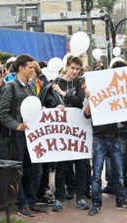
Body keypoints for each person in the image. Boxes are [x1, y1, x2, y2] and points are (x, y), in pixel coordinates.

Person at [83, 61, 127, 216]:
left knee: (119, 173)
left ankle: (121, 201)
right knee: (96, 174)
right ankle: (96, 203)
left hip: (114, 137)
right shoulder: (95, 91)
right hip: (99, 138)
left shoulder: (117, 91)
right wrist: (90, 99)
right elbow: (86, 114)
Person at [0, 54, 47, 217]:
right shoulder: (10, 87)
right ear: (21, 68)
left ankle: (32, 200)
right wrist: (16, 125)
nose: (33, 70)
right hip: (19, 136)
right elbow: (2, 113)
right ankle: (22, 203)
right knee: (21, 171)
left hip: (34, 135)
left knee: (36, 169)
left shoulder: (31, 86)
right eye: (30, 67)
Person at [40, 56, 89, 211]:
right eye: (72, 68)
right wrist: (55, 107)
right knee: (62, 166)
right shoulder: (56, 82)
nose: (74, 71)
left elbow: (80, 102)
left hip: (79, 129)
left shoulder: (80, 83)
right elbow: (47, 103)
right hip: (61, 131)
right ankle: (59, 197)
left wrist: (63, 93)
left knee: (80, 165)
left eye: (77, 69)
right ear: (67, 66)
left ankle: (80, 197)